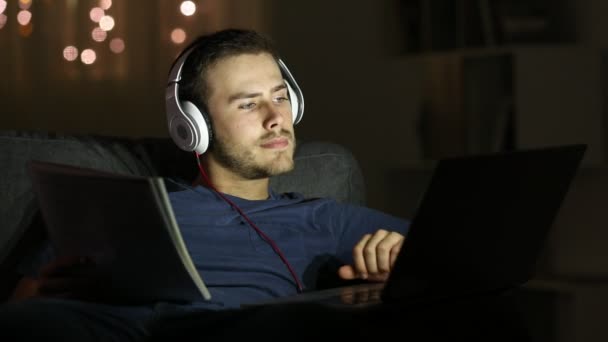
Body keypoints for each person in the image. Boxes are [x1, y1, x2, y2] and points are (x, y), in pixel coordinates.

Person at [0, 28, 416, 341]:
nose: (276, 118)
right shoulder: (123, 209)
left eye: (281, 96)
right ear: (192, 126)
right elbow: (21, 307)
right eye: (249, 104)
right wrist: (43, 291)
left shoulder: (324, 218)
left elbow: (446, 254)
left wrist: (392, 261)